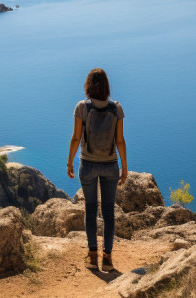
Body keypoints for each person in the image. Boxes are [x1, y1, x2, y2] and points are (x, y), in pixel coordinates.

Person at [67, 67, 128, 271]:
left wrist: (70, 162)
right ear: (107, 86)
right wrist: (124, 167)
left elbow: (76, 138)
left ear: (88, 85)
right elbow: (120, 140)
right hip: (110, 165)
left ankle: (92, 256)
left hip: (88, 165)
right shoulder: (116, 108)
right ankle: (107, 259)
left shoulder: (81, 107)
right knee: (108, 212)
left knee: (91, 209)